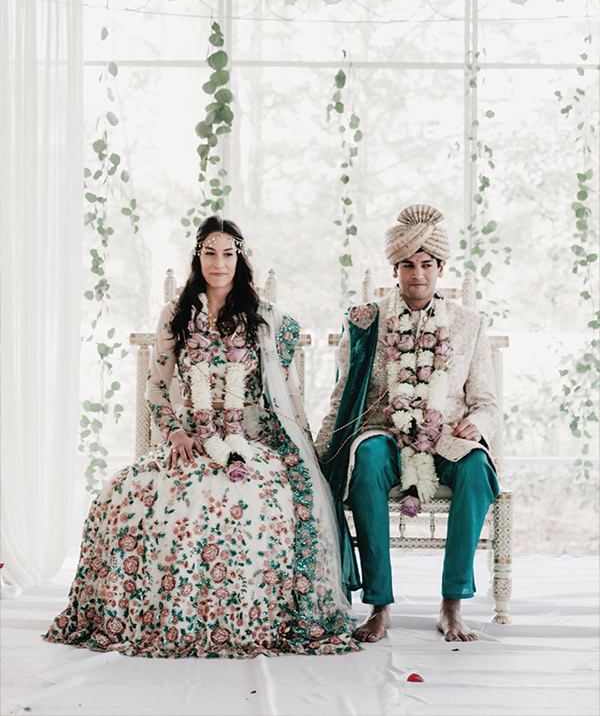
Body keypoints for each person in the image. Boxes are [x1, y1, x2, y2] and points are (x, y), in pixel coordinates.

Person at [45, 216, 358, 657]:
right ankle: (151, 617)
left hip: (254, 443)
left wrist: (306, 450)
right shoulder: (176, 315)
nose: (219, 262)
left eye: (228, 253)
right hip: (190, 439)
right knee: (120, 494)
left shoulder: (264, 319)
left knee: (247, 499)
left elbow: (288, 391)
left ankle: (244, 620)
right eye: (210, 252)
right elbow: (157, 388)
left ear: (240, 259)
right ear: (198, 257)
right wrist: (173, 433)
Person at [315, 204, 499, 644]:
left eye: (426, 265)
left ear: (441, 268)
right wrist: (320, 452)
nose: (418, 274)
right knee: (369, 456)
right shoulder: (367, 322)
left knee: (477, 469)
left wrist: (477, 423)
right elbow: (343, 396)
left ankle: (452, 605)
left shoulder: (470, 325)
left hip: (447, 437)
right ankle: (380, 606)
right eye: (408, 265)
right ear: (394, 269)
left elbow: (487, 402)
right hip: (388, 434)